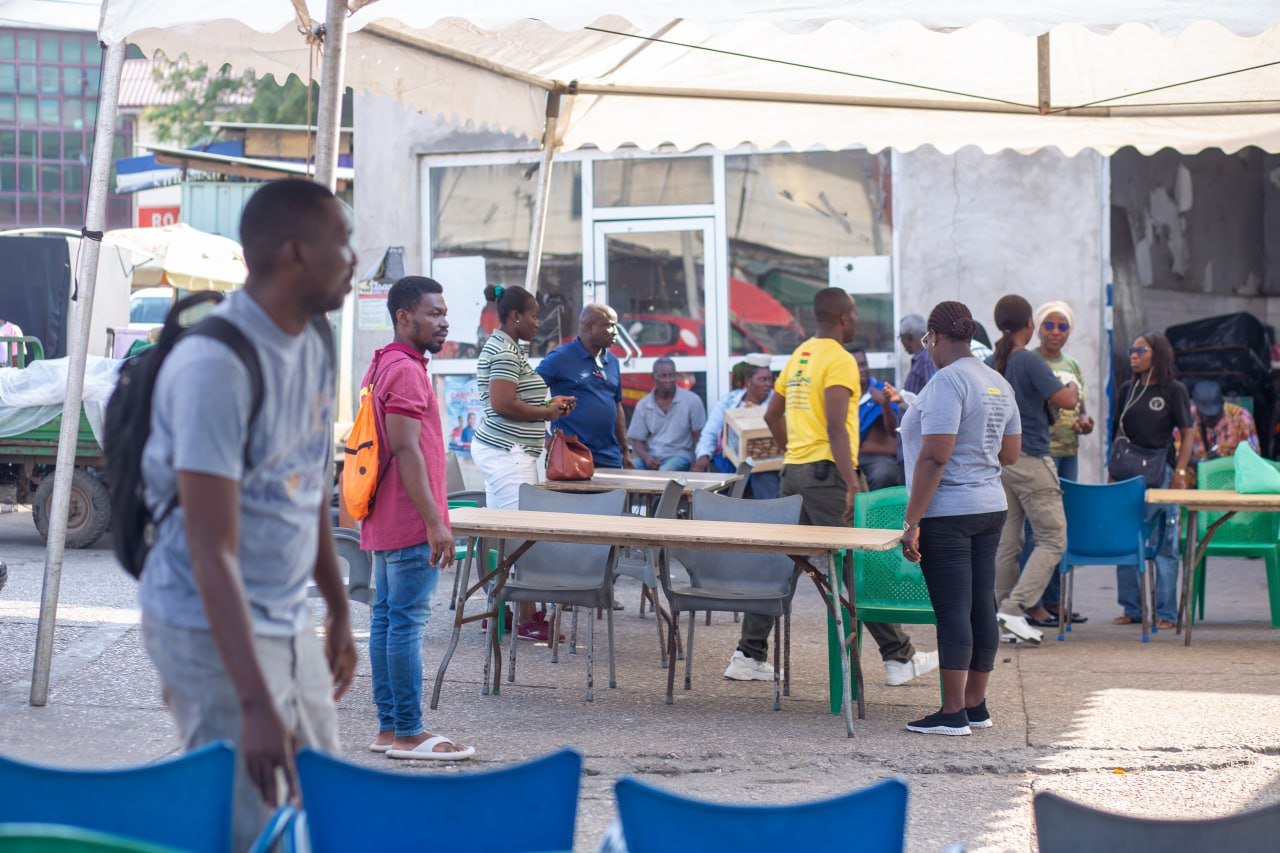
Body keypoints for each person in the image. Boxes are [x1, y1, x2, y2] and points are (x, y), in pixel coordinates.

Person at [138, 180, 357, 850]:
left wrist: (338, 606)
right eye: (341, 242)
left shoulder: (316, 338)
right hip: (207, 624)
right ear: (295, 253)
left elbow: (305, 485)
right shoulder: (216, 364)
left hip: (286, 617)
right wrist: (256, 703)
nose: (353, 258)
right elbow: (212, 553)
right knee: (247, 827)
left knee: (320, 810)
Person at [724, 287, 938, 687]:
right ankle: (898, 656)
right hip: (827, 476)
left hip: (796, 472)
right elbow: (838, 426)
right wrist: (851, 483)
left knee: (784, 559)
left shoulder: (800, 356)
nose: (857, 320)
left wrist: (794, 450)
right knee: (858, 561)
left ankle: (748, 654)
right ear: (842, 317)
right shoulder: (838, 359)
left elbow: (773, 413)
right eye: (854, 313)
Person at [360, 276, 473, 762]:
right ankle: (408, 731)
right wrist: (434, 521)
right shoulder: (405, 370)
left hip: (386, 515)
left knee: (389, 621)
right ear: (404, 317)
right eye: (433, 313)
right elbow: (406, 450)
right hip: (408, 518)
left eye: (445, 313)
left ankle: (391, 728)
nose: (443, 321)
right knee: (404, 624)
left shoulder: (385, 362)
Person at [900, 301, 1020, 736]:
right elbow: (1010, 452)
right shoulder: (997, 382)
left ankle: (952, 713)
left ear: (933, 337)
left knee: (953, 610)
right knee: (979, 605)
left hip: (949, 511)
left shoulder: (947, 382)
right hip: (990, 505)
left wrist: (911, 521)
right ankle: (975, 705)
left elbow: (934, 457)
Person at [472, 284, 575, 642]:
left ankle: (499, 610)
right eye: (533, 315)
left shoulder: (507, 348)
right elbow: (502, 403)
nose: (537, 322)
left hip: (508, 452)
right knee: (522, 537)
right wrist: (546, 411)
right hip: (508, 453)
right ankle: (526, 618)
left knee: (509, 535)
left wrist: (548, 406)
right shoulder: (503, 350)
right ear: (516, 316)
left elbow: (513, 398)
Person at [988, 295, 1079, 644]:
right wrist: (1071, 385)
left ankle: (1003, 615)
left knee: (1008, 542)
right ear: (1030, 324)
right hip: (1032, 457)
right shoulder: (1028, 359)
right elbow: (1067, 401)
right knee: (1054, 538)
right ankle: (1015, 608)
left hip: (1004, 461)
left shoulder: (998, 359)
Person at [1018, 300, 1094, 626]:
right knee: (1037, 532)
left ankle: (1054, 601)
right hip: (1038, 454)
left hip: (1068, 455)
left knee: (1061, 530)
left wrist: (1085, 424)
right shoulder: (1030, 361)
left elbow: (1082, 409)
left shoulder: (1073, 365)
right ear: (1037, 327)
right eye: (1049, 325)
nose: (1056, 332)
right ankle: (1029, 602)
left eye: (1063, 326)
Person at [1111, 331, 1194, 629]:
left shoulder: (1174, 390)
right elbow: (1117, 434)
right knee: (1125, 537)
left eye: (1140, 351)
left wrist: (1181, 472)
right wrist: (1111, 471)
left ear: (1157, 355)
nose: (1133, 355)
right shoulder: (1127, 388)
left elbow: (1187, 434)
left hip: (1162, 472)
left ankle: (1166, 613)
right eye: (1131, 350)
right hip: (1126, 473)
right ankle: (1132, 608)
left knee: (1165, 542)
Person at [537, 304, 633, 469]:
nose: (616, 332)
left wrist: (625, 450)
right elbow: (526, 392)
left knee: (615, 496)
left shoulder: (613, 362)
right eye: (610, 326)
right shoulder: (559, 358)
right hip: (571, 456)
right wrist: (544, 436)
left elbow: (617, 406)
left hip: (610, 457)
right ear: (589, 327)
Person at [692, 354, 781, 499]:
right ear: (748, 381)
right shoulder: (729, 401)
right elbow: (710, 432)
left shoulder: (777, 401)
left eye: (770, 379)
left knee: (765, 485)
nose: (768, 384)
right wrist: (703, 455)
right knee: (718, 479)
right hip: (730, 462)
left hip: (765, 463)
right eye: (762, 379)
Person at [628, 357, 706, 472]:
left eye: (671, 375)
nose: (668, 380)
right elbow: (638, 441)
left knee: (665, 471)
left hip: (681, 455)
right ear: (653, 376)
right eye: (663, 376)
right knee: (631, 468)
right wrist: (646, 457)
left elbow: (698, 436)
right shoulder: (643, 405)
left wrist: (695, 464)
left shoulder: (692, 400)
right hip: (653, 456)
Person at [1175, 380, 1259, 483]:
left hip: (1231, 481)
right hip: (1196, 482)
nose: (1210, 420)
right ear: (1197, 408)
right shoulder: (1187, 419)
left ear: (1222, 404)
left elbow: (1254, 459)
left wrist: (1223, 463)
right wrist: (1196, 461)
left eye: (1215, 415)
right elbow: (1175, 456)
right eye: (1205, 416)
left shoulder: (1241, 417)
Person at [850, 348, 905, 491]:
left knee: (884, 473)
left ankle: (879, 512)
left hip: (876, 457)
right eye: (856, 366)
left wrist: (884, 403)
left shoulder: (882, 390)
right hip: (847, 455)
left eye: (864, 364)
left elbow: (894, 429)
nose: (862, 369)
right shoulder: (841, 393)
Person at [899, 313, 936, 394]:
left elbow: (933, 395)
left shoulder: (927, 360)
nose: (901, 342)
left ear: (909, 337)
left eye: (901, 337)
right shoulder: (922, 358)